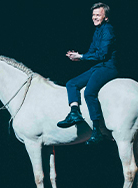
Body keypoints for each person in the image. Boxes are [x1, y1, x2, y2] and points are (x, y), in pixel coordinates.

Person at [57, 2, 117, 145]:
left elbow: (102, 54)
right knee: (71, 83)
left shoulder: (108, 30)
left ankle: (98, 130)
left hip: (107, 67)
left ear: (106, 17)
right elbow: (91, 53)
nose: (94, 17)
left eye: (98, 15)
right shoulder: (97, 31)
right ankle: (74, 113)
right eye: (93, 15)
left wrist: (82, 57)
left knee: (89, 93)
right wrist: (78, 56)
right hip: (97, 66)